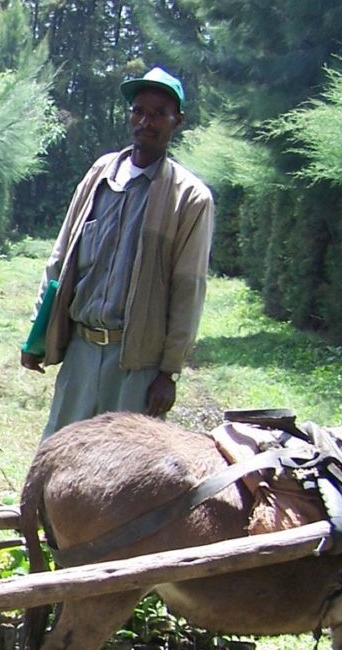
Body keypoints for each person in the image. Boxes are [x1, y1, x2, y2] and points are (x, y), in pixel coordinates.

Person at [20, 66, 214, 438]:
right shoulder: (99, 176)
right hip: (81, 349)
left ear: (178, 121)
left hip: (135, 363)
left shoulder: (189, 198)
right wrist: (37, 334)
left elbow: (188, 289)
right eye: (139, 111)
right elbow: (60, 260)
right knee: (60, 456)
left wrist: (168, 373)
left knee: (120, 474)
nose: (147, 121)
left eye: (159, 113)